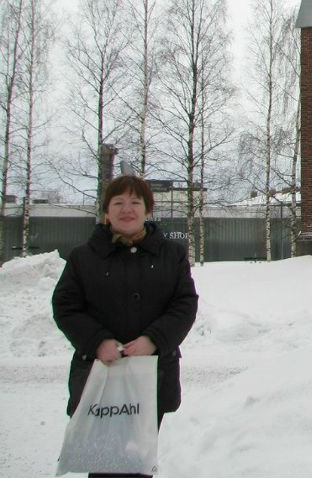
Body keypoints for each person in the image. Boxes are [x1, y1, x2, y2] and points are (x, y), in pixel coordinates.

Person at [53, 174, 198, 478]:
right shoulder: (83, 257)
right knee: (103, 463)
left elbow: (184, 304)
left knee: (139, 459)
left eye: (136, 202)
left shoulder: (172, 254)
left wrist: (154, 339)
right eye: (118, 202)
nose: (127, 208)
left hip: (152, 371)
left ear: (148, 210)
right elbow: (66, 307)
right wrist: (97, 342)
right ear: (107, 211)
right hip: (99, 372)